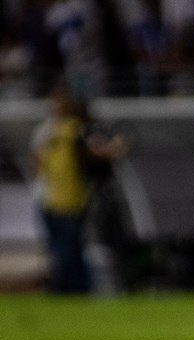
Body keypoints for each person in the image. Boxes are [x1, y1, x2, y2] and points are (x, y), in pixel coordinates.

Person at [30, 84, 126, 294]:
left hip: (55, 197)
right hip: (64, 198)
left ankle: (68, 289)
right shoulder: (72, 129)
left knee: (63, 249)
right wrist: (117, 146)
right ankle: (74, 289)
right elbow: (99, 149)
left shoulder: (52, 130)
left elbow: (37, 163)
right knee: (68, 249)